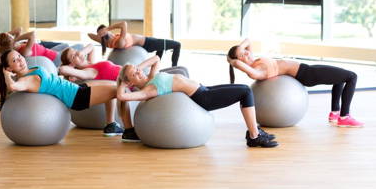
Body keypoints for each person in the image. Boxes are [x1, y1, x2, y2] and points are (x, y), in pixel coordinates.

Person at [116, 55, 278, 147]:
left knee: (243, 89)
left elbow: (156, 58)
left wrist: (135, 66)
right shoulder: (147, 91)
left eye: (138, 70)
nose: (139, 72)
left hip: (203, 89)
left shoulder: (151, 78)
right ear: (130, 83)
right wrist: (122, 82)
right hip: (203, 98)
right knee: (245, 91)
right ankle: (254, 136)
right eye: (135, 75)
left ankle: (254, 132)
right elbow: (122, 96)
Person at [0, 49, 138, 138]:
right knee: (120, 90)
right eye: (14, 60)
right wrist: (6, 74)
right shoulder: (28, 79)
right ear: (9, 67)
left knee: (112, 84)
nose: (20, 60)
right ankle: (129, 131)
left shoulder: (30, 70)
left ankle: (111, 125)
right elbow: (14, 86)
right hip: (76, 97)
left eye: (19, 56)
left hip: (75, 88)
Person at [227, 38, 363, 128]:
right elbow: (240, 64)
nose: (246, 53)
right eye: (242, 55)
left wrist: (238, 51)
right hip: (307, 74)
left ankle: (335, 113)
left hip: (306, 68)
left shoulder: (254, 60)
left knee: (339, 77)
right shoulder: (256, 70)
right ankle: (344, 117)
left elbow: (248, 41)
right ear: (240, 62)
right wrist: (233, 61)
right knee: (352, 77)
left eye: (245, 51)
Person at [88, 21, 181, 67]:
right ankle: (174, 67)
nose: (110, 31)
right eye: (107, 31)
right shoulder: (119, 42)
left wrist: (100, 34)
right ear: (107, 33)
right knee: (177, 45)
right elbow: (124, 24)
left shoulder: (107, 42)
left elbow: (90, 35)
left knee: (161, 48)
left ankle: (155, 67)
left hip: (147, 40)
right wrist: (107, 28)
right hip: (148, 43)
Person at [0, 27, 81, 67]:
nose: (12, 36)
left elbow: (19, 29)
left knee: (66, 45)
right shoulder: (24, 51)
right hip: (54, 58)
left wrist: (7, 36)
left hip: (50, 51)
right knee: (80, 46)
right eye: (11, 37)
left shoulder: (16, 47)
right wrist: (14, 40)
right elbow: (32, 34)